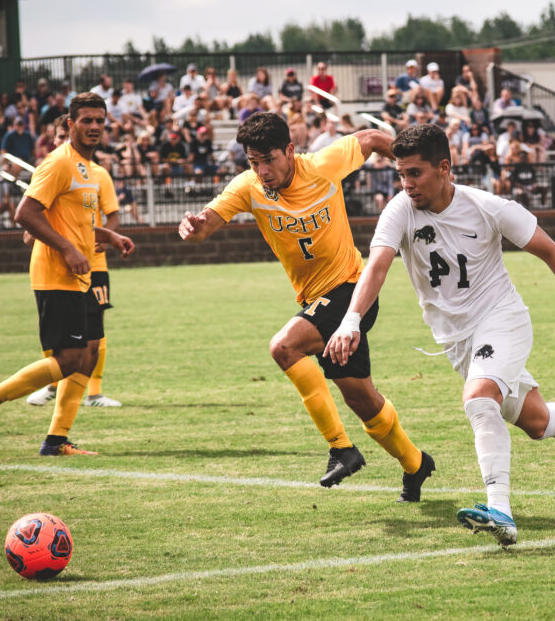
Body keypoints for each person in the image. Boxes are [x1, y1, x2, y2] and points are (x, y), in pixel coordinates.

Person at [324, 123, 555, 547]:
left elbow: (551, 251)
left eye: (415, 173)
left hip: (502, 319)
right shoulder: (399, 209)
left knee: (478, 398)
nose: (407, 184)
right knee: (537, 423)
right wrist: (350, 320)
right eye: (401, 174)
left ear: (444, 168)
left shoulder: (489, 206)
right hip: (456, 341)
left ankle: (500, 511)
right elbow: (376, 267)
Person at [178, 112, 435, 499]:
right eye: (253, 162)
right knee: (362, 401)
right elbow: (208, 224)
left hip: (352, 291)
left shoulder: (321, 166)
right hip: (317, 301)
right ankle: (416, 464)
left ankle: (341, 449)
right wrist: (194, 230)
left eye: (269, 159)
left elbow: (368, 138)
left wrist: (409, 168)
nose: (262, 171)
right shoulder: (248, 187)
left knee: (285, 346)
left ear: (290, 151)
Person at [0, 93, 135, 456]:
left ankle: (56, 440)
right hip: (56, 274)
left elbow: (77, 225)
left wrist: (110, 236)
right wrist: (69, 250)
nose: (94, 127)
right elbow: (25, 215)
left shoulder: (87, 168)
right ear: (69, 124)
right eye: (86, 120)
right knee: (70, 357)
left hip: (81, 276)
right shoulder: (58, 163)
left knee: (88, 353)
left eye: (100, 120)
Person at [28, 115, 125, 408]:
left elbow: (112, 213)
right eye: (56, 137)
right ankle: (53, 387)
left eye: (62, 136)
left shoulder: (97, 174)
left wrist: (108, 238)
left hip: (93, 264)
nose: (60, 142)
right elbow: (31, 218)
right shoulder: (53, 168)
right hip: (58, 266)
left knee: (94, 333)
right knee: (62, 338)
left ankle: (94, 392)